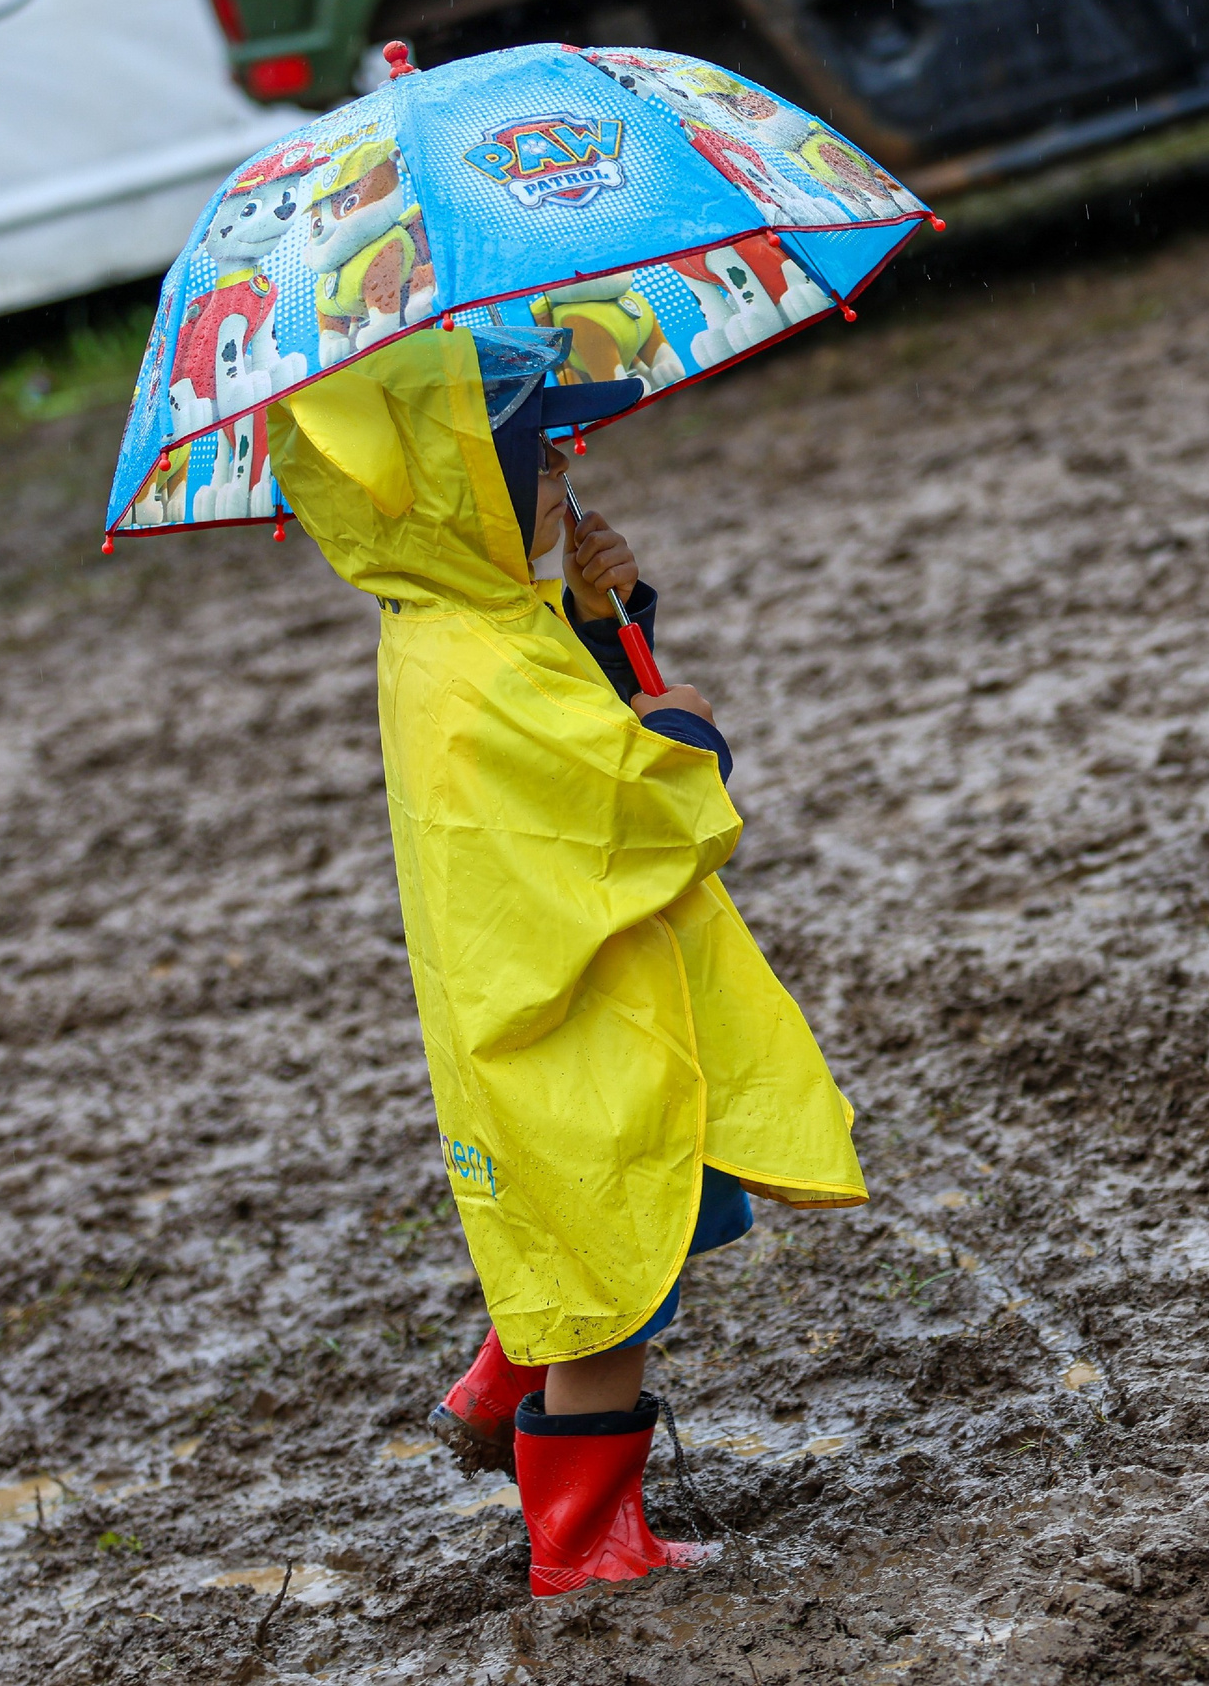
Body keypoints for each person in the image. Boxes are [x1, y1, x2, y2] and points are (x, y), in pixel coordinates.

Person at [263, 325, 867, 1598]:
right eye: (542, 457)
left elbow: (572, 706)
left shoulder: (467, 614)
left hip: (574, 993)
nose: (566, 472)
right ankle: (585, 1544)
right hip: (562, 1016)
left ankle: (499, 1376)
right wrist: (684, 722)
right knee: (610, 1280)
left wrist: (612, 619)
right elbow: (634, 800)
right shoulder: (479, 667)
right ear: (459, 482)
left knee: (660, 1202)